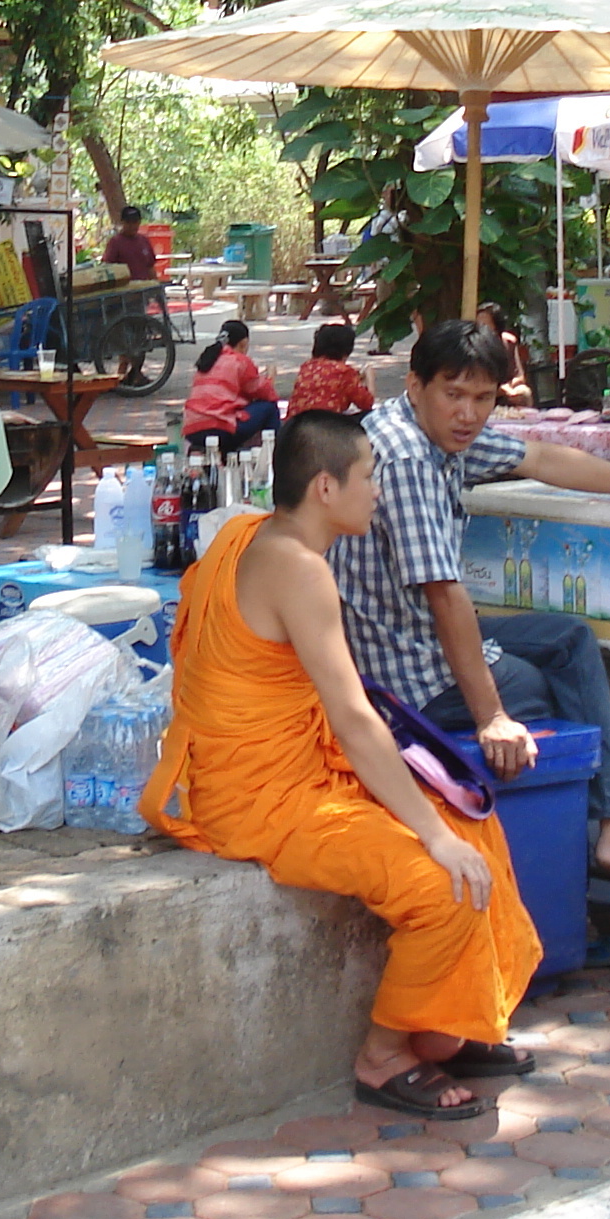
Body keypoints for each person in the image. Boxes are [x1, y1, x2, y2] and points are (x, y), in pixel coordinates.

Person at [141, 411, 541, 1118]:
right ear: (326, 487)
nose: (379, 490)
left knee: (472, 822)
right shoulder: (299, 570)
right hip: (261, 801)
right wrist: (431, 836)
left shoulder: (248, 534)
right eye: (370, 476)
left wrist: (441, 824)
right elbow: (355, 720)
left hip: (290, 768)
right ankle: (386, 1054)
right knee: (440, 879)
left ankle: (460, 1018)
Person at [330, 319, 610, 881]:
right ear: (415, 387)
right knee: (540, 690)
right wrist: (492, 717)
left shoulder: (435, 432)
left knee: (569, 640)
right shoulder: (408, 458)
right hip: (405, 670)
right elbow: (444, 595)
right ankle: (581, 856)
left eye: (482, 398)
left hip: (411, 629)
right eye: (454, 394)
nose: (467, 413)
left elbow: (540, 460)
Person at [183, 320, 282, 449]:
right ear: (243, 343)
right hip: (219, 427)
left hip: (192, 428)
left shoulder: (207, 359)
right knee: (269, 407)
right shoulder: (239, 360)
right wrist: (270, 377)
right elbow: (265, 393)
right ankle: (273, 455)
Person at [286, 321, 376, 416]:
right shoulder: (345, 371)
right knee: (369, 415)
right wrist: (370, 378)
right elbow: (367, 404)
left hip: (296, 423)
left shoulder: (307, 366)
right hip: (326, 425)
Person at [473, 303, 533, 406]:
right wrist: (498, 389)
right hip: (481, 390)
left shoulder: (508, 343)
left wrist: (510, 388)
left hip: (507, 389)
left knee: (524, 393)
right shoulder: (474, 345)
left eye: (485, 326)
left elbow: (519, 376)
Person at [102, 203, 158, 284]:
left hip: (143, 288)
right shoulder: (115, 242)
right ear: (123, 222)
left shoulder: (144, 241)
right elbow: (108, 268)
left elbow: (150, 267)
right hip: (124, 290)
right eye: (128, 222)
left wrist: (156, 285)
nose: (132, 226)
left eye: (135, 222)